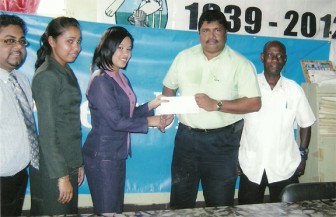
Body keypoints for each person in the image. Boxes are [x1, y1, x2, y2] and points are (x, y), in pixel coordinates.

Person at [162, 9, 261, 209]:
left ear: (225, 33)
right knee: (180, 202)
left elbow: (254, 103)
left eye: (217, 30)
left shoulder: (240, 64)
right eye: (206, 30)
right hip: (186, 141)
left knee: (220, 205)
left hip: (222, 143)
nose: (211, 36)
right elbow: (169, 87)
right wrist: (167, 111)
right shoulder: (183, 58)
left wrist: (217, 104)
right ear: (199, 33)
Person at [82, 26, 171, 214]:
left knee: (115, 209)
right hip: (102, 156)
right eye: (120, 47)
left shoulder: (121, 76)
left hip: (116, 154)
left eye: (129, 49)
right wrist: (152, 121)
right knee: (107, 210)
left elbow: (128, 114)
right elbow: (116, 122)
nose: (126, 54)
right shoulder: (100, 80)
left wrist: (153, 104)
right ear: (108, 47)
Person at [238, 40, 316, 204]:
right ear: (262, 57)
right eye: (270, 55)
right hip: (252, 165)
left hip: (285, 166)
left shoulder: (294, 90)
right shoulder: (248, 86)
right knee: (247, 212)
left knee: (287, 213)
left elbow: (306, 123)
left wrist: (303, 155)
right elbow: (237, 124)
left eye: (279, 56)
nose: (275, 60)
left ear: (285, 60)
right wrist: (235, 157)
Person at [29, 17, 84, 215]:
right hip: (55, 168)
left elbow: (69, 124)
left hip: (68, 161)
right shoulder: (48, 76)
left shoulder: (64, 70)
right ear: (52, 41)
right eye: (70, 41)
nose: (76, 47)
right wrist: (61, 176)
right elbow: (48, 133)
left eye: (78, 41)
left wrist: (77, 163)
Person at [0, 13, 39, 216]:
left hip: (19, 175)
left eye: (21, 41)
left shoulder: (21, 80)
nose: (18, 47)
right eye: (9, 41)